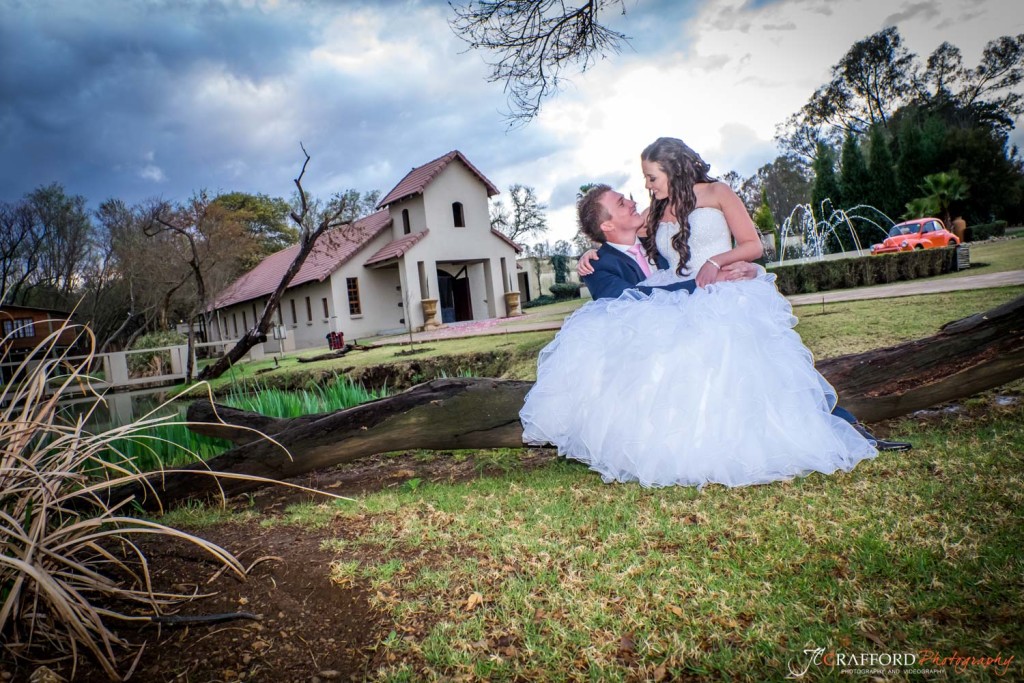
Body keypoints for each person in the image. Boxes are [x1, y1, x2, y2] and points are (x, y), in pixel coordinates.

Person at [519, 138, 907, 489]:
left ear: (671, 168)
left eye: (651, 177)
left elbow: (753, 245)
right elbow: (620, 241)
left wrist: (727, 264)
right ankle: (702, 446)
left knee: (766, 372)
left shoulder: (719, 192)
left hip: (726, 296)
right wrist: (590, 253)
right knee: (698, 381)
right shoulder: (656, 211)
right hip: (682, 301)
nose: (647, 187)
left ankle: (848, 431)